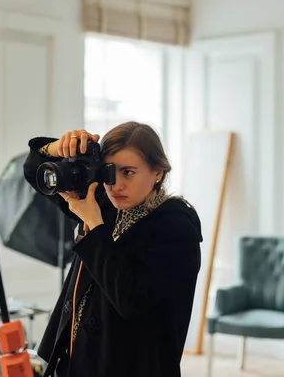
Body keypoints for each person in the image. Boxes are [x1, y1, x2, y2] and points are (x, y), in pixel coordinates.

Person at [23, 121, 203, 377]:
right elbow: (35, 172)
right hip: (78, 362)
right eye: (109, 171)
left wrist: (95, 226)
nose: (115, 184)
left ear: (158, 172)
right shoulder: (105, 204)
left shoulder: (176, 227)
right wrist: (58, 147)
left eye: (128, 172)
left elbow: (131, 300)